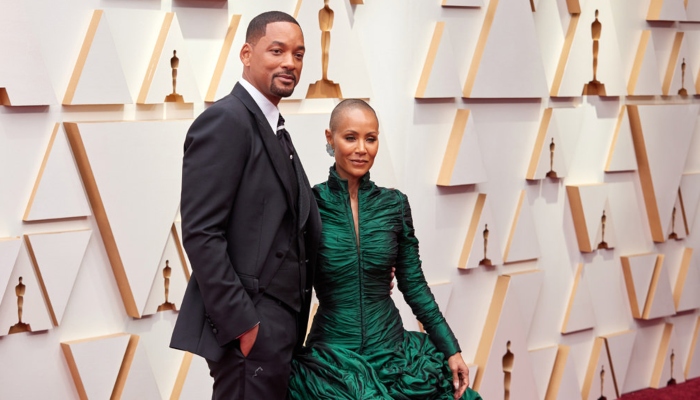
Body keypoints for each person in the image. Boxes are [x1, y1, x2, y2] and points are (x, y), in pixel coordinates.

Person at [170, 11, 322, 400]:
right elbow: (201, 233)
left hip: (282, 326)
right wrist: (243, 323)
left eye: (299, 54)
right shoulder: (225, 120)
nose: (290, 63)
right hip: (251, 326)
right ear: (246, 54)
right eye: (277, 51)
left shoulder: (273, 126)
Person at [288, 99, 482, 399]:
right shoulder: (309, 206)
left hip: (394, 353)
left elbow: (414, 285)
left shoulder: (394, 204)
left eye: (371, 139)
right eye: (350, 137)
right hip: (333, 358)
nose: (361, 149)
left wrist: (450, 348)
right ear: (330, 138)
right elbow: (288, 284)